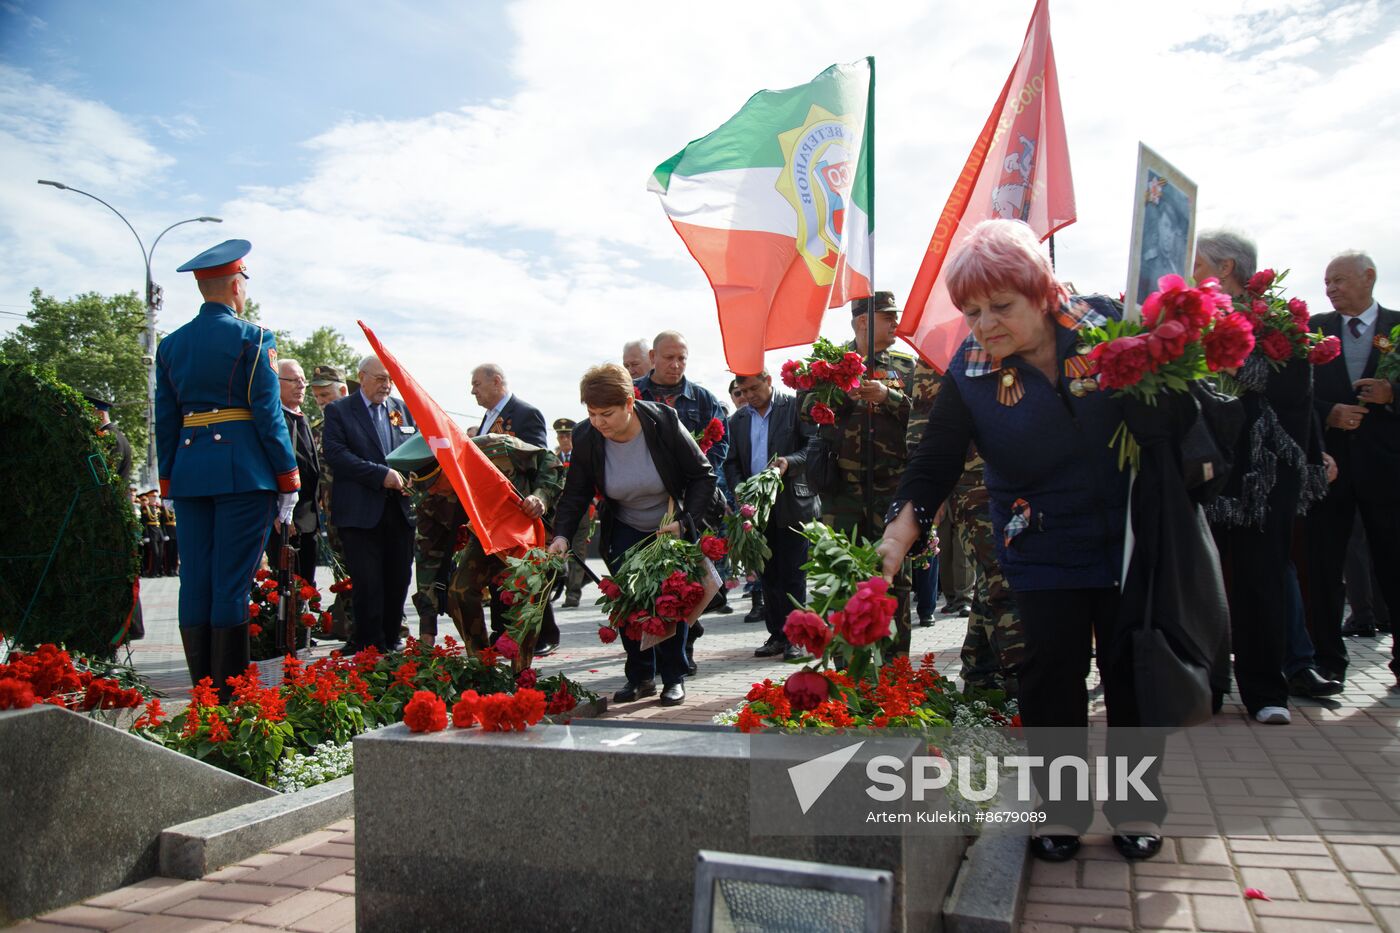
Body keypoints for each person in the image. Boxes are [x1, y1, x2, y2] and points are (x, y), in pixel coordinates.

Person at [878, 219, 1185, 863]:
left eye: (1000, 306)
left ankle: (1135, 808)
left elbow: (1172, 413)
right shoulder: (969, 371)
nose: (984, 325)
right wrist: (897, 539)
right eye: (971, 312)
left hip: (1129, 537)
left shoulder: (1109, 328)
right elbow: (933, 462)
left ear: (1042, 294)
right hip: (1040, 543)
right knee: (1050, 678)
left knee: (1131, 672)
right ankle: (1061, 811)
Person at [1194, 230, 1332, 723]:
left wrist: (1231, 358)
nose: (1190, 273)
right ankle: (1205, 688)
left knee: (1262, 581)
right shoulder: (1186, 318)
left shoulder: (1279, 322)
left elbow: (1295, 393)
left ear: (1226, 268)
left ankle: (1266, 691)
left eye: (1198, 263)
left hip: (1264, 477)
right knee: (1202, 584)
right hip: (1203, 472)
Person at [154, 239, 300, 702]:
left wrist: (168, 477)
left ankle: (203, 691)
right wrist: (288, 477)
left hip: (190, 473)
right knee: (231, 584)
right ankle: (231, 697)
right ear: (237, 285)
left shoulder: (170, 345)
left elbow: (165, 420)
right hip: (244, 473)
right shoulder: (254, 337)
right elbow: (268, 413)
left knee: (195, 579)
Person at [549, 363, 716, 707]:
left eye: (607, 414)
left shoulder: (663, 421)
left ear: (628, 403)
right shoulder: (586, 436)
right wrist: (561, 535)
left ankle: (673, 677)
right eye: (592, 413)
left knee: (668, 602)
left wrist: (685, 523)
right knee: (628, 603)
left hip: (668, 525)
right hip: (625, 524)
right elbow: (576, 493)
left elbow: (703, 475)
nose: (599, 422)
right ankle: (640, 677)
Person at [1305, 251, 1400, 688]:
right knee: (1324, 569)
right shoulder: (1312, 331)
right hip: (1331, 471)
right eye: (1327, 282)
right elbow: (1294, 395)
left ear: (1369, 277)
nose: (1331, 289)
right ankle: (1327, 661)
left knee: (1393, 565)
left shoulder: (1397, 328)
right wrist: (1329, 413)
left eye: (1339, 280)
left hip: (1388, 471)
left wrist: (1391, 394)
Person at [807, 291, 917, 651]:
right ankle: (848, 665)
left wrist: (889, 397)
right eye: (888, 317)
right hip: (843, 492)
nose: (896, 323)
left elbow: (923, 416)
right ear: (863, 322)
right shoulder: (829, 364)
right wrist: (841, 397)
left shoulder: (905, 366)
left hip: (891, 488)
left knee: (895, 578)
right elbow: (805, 412)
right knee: (843, 575)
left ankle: (896, 666)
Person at [906, 362, 1023, 693]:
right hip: (973, 484)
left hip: (1024, 479)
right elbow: (921, 430)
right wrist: (931, 493)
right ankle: (1022, 683)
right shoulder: (944, 352)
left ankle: (980, 676)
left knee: (992, 580)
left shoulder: (1024, 345)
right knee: (1003, 577)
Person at [635, 330, 732, 630]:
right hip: (644, 500)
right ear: (653, 357)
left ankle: (685, 639)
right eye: (669, 357)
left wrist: (695, 475)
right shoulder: (634, 395)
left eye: (682, 358)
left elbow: (720, 446)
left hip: (692, 502)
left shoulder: (703, 399)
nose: (676, 364)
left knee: (688, 576)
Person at [321, 354, 418, 652]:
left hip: (399, 511)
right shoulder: (339, 410)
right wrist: (380, 475)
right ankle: (368, 644)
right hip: (360, 512)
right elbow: (336, 454)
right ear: (361, 377)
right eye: (380, 378)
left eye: (390, 379)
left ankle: (391, 638)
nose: (386, 385)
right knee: (368, 582)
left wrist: (414, 477)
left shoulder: (401, 409)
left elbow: (415, 449)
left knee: (399, 577)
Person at [725, 370, 818, 662]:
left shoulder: (795, 407)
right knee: (769, 575)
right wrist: (740, 488)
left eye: (754, 388)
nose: (749, 396)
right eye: (743, 391)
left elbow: (812, 447)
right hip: (756, 507)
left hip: (792, 503)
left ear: (768, 381)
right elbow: (731, 462)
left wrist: (788, 463)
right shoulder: (737, 420)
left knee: (793, 574)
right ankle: (777, 635)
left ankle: (796, 638)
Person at [263, 359, 321, 584]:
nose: (301, 386)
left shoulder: (301, 418)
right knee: (286, 587)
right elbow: (268, 467)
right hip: (286, 520)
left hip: (309, 520)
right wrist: (277, 512)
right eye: (294, 380)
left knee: (306, 585)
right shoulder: (272, 420)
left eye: (303, 381)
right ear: (275, 382)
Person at [308, 365, 354, 640]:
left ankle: (374, 625)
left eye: (325, 394)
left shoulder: (357, 422)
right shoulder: (317, 430)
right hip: (331, 511)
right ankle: (346, 624)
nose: (321, 401)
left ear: (343, 390)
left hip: (357, 509)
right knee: (341, 568)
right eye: (316, 396)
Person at [553, 417, 594, 608]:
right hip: (558, 511)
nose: (564, 439)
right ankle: (580, 578)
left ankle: (573, 594)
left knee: (577, 551)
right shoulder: (553, 459)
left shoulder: (582, 456)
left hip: (581, 510)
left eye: (567, 435)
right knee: (559, 550)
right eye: (561, 436)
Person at [471, 363, 548, 448]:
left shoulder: (527, 414)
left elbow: (538, 454)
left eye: (477, 384)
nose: (473, 391)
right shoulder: (489, 415)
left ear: (496, 382)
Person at [84, 392, 132, 484]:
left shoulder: (111, 438)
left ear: (100, 414)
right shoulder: (114, 434)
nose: (85, 417)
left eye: (89, 413)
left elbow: (107, 475)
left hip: (110, 492)